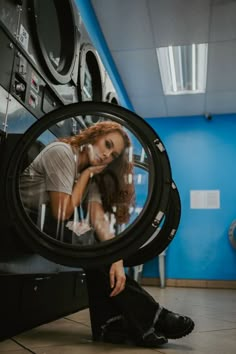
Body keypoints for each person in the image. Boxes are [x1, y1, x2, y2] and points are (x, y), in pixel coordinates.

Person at [20, 120, 194, 348]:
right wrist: (86, 175)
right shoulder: (62, 153)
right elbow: (62, 211)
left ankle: (111, 326)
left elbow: (100, 220)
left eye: (113, 155)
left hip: (41, 225)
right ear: (94, 136)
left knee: (93, 245)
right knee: (89, 246)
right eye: (107, 144)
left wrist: (117, 260)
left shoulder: (91, 177)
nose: (106, 155)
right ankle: (152, 316)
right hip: (18, 222)